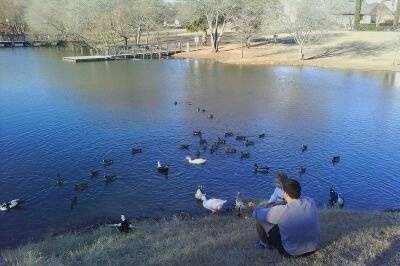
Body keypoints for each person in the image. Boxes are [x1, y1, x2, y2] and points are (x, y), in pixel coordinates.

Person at [252, 179, 320, 257]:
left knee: (261, 221)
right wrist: (281, 202)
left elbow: (256, 213)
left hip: (292, 252)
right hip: (314, 247)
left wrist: (268, 207)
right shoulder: (311, 202)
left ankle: (264, 244)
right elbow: (298, 201)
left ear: (286, 194)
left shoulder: (281, 211)